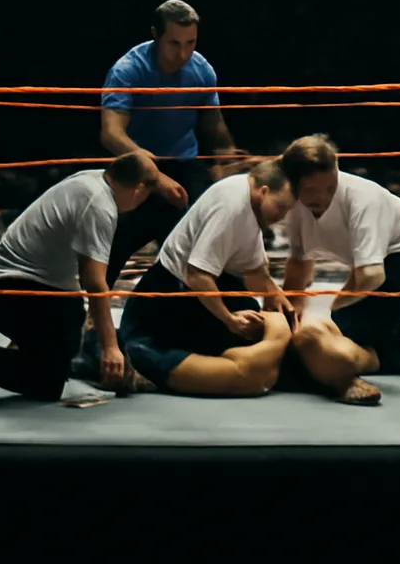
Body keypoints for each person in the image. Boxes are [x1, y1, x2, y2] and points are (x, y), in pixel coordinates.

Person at [73, 0, 245, 381]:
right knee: (111, 243)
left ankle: (207, 321)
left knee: (204, 247)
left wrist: (228, 159)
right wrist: (152, 176)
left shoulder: (201, 70)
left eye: (191, 43)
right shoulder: (128, 69)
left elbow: (214, 126)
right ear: (155, 36)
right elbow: (111, 134)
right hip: (135, 166)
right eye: (175, 44)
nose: (183, 53)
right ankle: (91, 324)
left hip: (184, 164)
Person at [0, 152, 160, 402]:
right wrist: (109, 347)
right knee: (46, 383)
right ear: (139, 190)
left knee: (69, 336)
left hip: (36, 289)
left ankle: (32, 350)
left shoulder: (95, 179)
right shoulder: (100, 206)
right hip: (11, 292)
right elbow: (94, 281)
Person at [278, 135, 400, 406]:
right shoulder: (291, 204)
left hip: (395, 278)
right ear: (293, 185)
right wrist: (287, 313)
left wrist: (333, 311)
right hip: (361, 276)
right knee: (293, 342)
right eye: (312, 190)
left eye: (330, 187)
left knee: (314, 344)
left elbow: (373, 275)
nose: (323, 197)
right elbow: (300, 262)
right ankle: (394, 337)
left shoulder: (365, 198)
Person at [117, 160, 296, 397]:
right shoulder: (232, 205)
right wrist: (229, 319)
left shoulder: (249, 204)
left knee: (269, 352)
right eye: (280, 207)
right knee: (241, 372)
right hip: (170, 297)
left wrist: (275, 294)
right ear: (263, 192)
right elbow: (197, 275)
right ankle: (104, 348)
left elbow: (254, 270)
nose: (281, 217)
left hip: (208, 287)